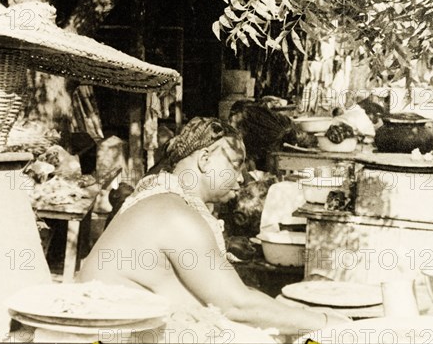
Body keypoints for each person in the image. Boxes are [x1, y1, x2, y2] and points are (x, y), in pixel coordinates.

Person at [79, 117, 349, 335]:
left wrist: (298, 317)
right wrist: (329, 323)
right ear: (205, 160)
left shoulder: (160, 197)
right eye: (234, 165)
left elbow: (228, 295)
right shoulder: (174, 214)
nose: (242, 178)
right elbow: (236, 306)